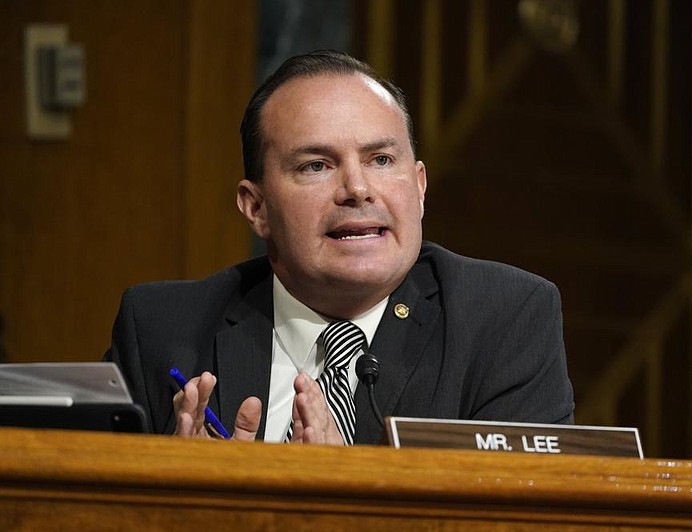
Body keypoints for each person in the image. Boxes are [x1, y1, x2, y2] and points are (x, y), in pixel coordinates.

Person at [104, 50, 574, 445]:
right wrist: (175, 500)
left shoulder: (503, 321)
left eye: (381, 159)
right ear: (256, 207)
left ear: (419, 186)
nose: (357, 188)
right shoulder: (161, 330)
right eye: (316, 166)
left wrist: (347, 503)